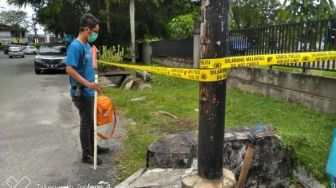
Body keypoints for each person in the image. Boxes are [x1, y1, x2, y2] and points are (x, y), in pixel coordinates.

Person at [65, 13, 109, 165]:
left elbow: (90, 67)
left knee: (91, 121)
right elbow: (70, 69)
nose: (96, 34)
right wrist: (88, 85)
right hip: (81, 92)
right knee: (86, 123)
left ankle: (93, 146)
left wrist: (95, 84)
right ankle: (87, 154)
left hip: (90, 90)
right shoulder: (75, 46)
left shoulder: (87, 45)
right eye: (94, 32)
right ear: (86, 29)